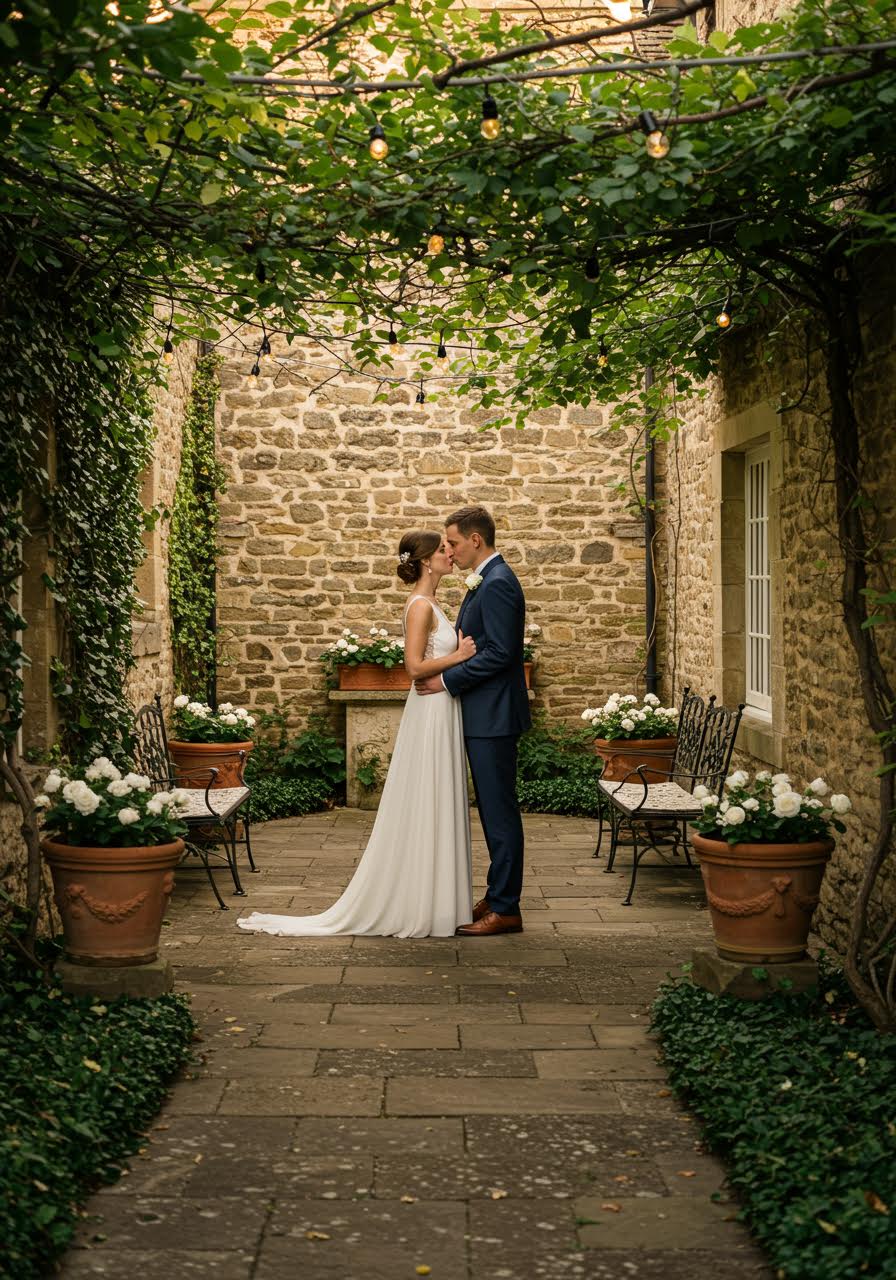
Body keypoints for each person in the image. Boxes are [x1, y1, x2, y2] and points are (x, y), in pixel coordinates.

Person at [236, 530, 476, 939]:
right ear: (422, 561)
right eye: (441, 550)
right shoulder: (420, 606)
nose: (450, 554)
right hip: (430, 708)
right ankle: (421, 902)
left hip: (441, 706)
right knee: (427, 793)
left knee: (438, 795)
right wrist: (459, 655)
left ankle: (438, 899)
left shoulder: (434, 603)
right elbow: (414, 668)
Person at [415, 505, 530, 937]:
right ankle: (497, 893)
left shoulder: (498, 583)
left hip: (494, 717)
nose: (451, 550)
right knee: (492, 810)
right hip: (484, 715)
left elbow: (501, 654)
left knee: (500, 813)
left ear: (475, 540)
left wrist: (446, 681)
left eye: (455, 543)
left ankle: (506, 907)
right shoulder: (488, 579)